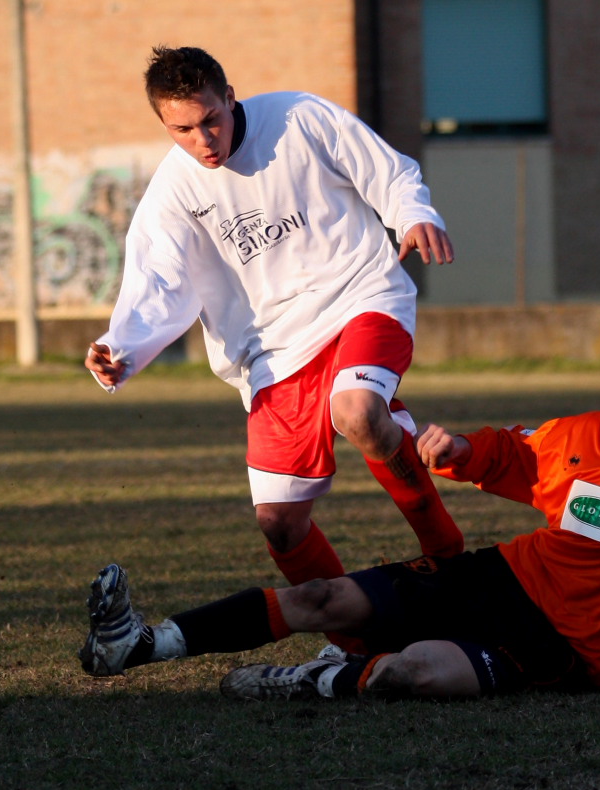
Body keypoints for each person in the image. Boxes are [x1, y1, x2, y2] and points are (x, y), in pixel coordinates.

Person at [79, 294, 600, 700]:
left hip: (569, 647)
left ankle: (307, 681)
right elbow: (508, 455)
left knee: (409, 674)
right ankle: (137, 645)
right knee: (325, 599)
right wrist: (459, 451)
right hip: (500, 577)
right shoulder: (586, 433)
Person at [84, 46, 464, 591]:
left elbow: (388, 171)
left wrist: (415, 215)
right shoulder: (173, 191)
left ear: (230, 97)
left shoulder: (300, 118)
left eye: (210, 120)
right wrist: (120, 348)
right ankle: (356, 645)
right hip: (272, 349)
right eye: (182, 129)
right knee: (279, 526)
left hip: (360, 295)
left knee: (357, 412)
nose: (202, 140)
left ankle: (448, 558)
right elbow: (158, 278)